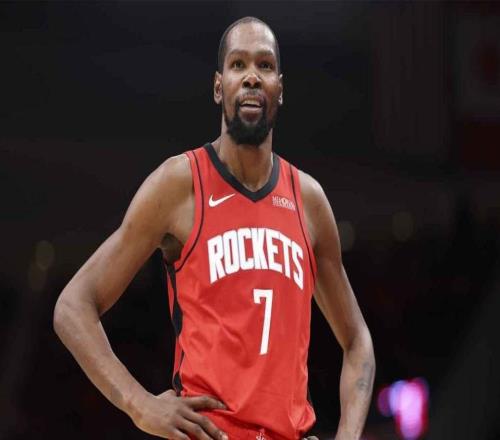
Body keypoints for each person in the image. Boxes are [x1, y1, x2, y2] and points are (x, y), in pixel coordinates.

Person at [53, 16, 375, 440]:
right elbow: (73, 307)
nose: (252, 77)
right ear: (219, 87)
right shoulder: (179, 184)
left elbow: (358, 342)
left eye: (264, 65)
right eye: (238, 64)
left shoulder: (309, 201)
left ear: (280, 88)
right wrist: (138, 404)